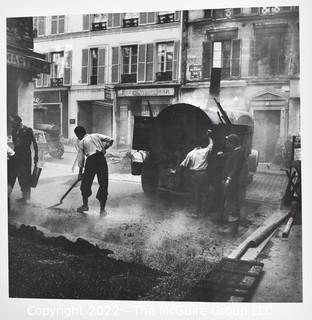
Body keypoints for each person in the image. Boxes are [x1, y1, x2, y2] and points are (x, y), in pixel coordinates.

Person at [74, 126, 114, 216]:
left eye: (77, 135)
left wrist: (80, 173)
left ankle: (85, 205)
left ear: (79, 135)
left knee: (85, 183)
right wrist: (104, 149)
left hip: (91, 161)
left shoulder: (81, 142)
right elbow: (111, 140)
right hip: (101, 159)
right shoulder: (96, 135)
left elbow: (81, 159)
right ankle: (102, 210)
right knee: (103, 184)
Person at [179, 130, 214, 217]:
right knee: (205, 193)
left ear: (192, 145)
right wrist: (209, 136)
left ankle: (196, 212)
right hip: (204, 174)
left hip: (195, 175)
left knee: (196, 193)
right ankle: (204, 212)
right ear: (200, 145)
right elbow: (211, 144)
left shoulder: (190, 153)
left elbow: (183, 165)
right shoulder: (205, 151)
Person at [220, 133, 245, 236]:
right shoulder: (237, 150)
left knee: (232, 203)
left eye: (228, 143)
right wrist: (223, 154)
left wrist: (228, 179)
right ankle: (231, 227)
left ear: (233, 143)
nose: (227, 145)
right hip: (230, 181)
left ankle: (232, 230)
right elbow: (231, 155)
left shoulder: (239, 153)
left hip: (232, 182)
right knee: (230, 202)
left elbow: (235, 168)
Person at [10, 114, 38, 203]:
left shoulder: (28, 130)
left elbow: (34, 142)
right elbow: (15, 144)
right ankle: (24, 196)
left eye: (13, 121)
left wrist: (36, 155)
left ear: (18, 121)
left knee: (26, 176)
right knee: (20, 176)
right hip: (16, 156)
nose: (11, 123)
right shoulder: (14, 131)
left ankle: (27, 197)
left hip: (25, 157)